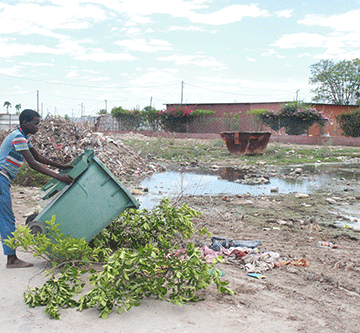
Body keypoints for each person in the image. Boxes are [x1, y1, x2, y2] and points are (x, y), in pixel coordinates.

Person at [0, 109, 74, 268]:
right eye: (35, 124)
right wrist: (58, 176)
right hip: (1, 178)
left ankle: (11, 257)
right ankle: (12, 260)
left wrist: (62, 166)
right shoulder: (18, 137)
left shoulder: (24, 137)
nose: (37, 127)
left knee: (5, 217)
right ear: (25, 122)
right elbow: (33, 164)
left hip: (3, 179)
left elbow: (39, 157)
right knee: (7, 219)